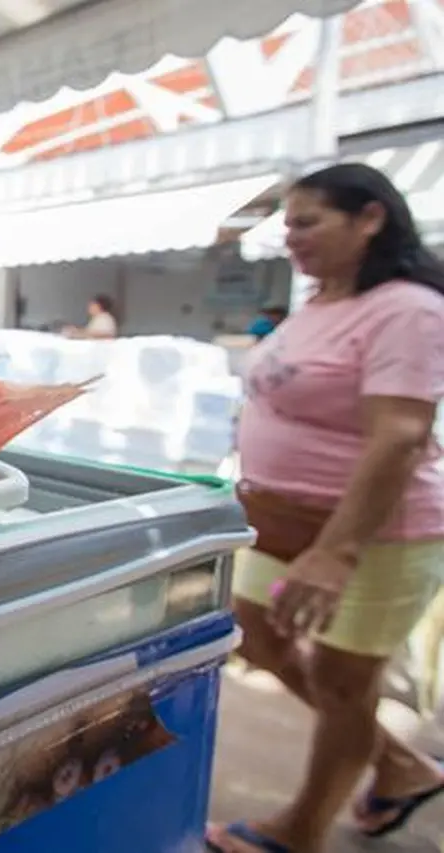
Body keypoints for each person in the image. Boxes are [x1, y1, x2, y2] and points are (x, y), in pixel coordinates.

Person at [206, 163, 444, 853]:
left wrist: (337, 552)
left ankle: (301, 830)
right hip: (282, 522)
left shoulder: (407, 310)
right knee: (255, 631)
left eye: (308, 222)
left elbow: (399, 436)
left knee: (345, 684)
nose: (291, 238)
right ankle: (399, 765)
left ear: (370, 218)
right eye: (288, 225)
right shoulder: (321, 302)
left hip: (372, 534)